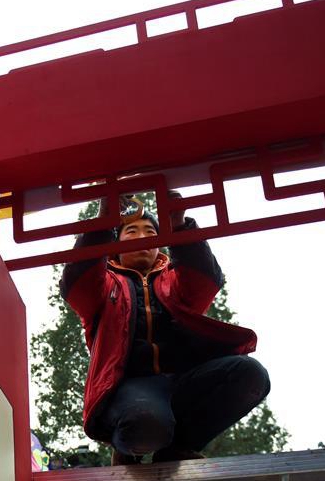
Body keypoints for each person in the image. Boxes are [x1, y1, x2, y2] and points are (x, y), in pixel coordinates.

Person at [59, 192, 271, 465]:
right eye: (131, 231)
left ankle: (179, 447)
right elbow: (77, 284)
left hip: (183, 380)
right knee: (145, 427)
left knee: (251, 375)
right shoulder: (106, 285)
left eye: (151, 232)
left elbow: (204, 281)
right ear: (116, 244)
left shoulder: (173, 281)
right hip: (131, 386)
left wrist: (179, 225)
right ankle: (126, 445)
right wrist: (103, 222)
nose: (142, 237)